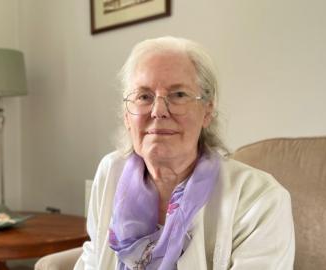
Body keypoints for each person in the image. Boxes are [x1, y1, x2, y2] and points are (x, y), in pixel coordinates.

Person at [74, 36, 294, 270]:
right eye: (144, 96)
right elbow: (93, 258)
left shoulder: (259, 199)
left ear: (208, 110)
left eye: (178, 95)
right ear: (127, 115)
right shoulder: (111, 172)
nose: (158, 111)